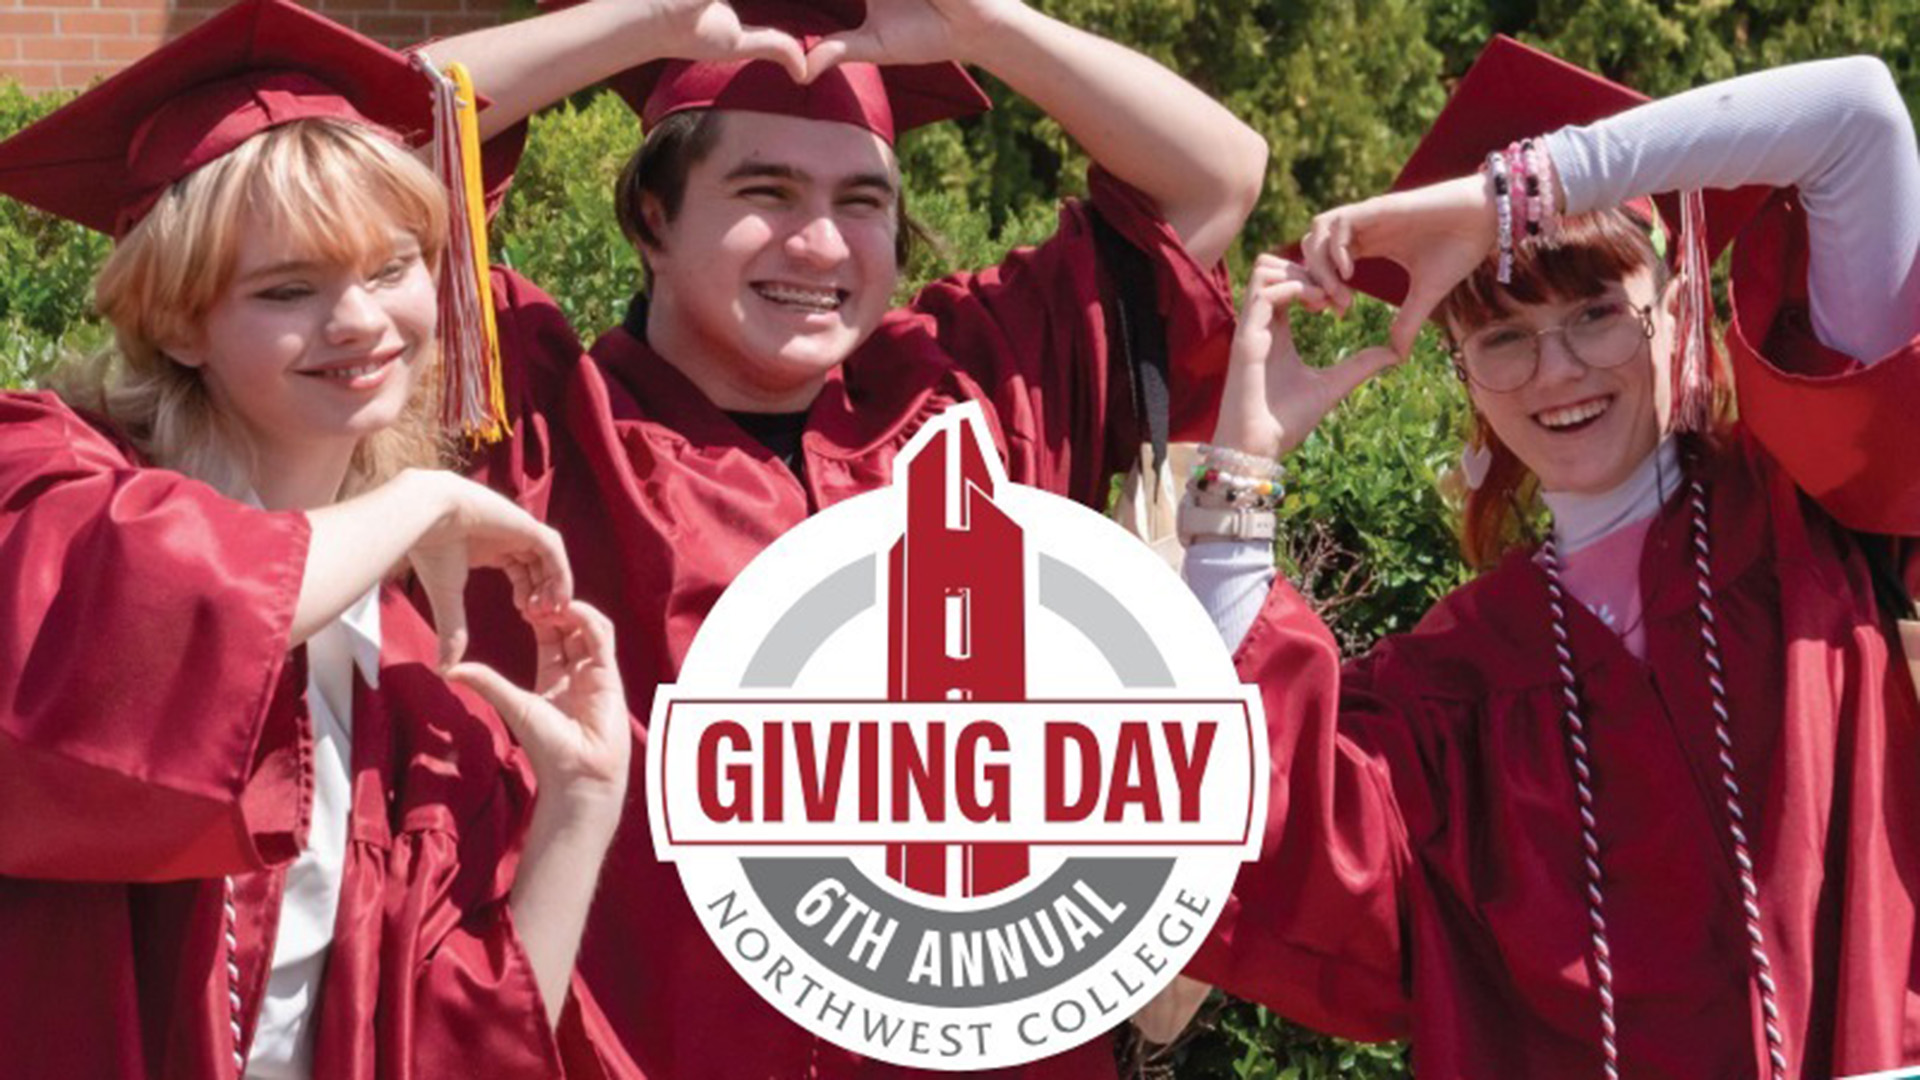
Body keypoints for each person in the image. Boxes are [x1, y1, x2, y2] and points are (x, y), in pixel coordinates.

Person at [412, 1, 1266, 1074]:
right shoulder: (542, 424)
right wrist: (650, 21)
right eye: (762, 192)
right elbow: (359, 148)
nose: (819, 244)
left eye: (862, 203)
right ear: (650, 221)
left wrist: (983, 25)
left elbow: (1217, 177)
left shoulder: (974, 397)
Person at [1165, 39, 1920, 1080]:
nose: (1556, 369)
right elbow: (1262, 830)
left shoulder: (1813, 513)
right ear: (1465, 374)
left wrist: (1515, 196)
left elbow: (1859, 117)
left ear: (1679, 307)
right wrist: (1242, 468)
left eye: (1597, 312)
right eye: (1503, 337)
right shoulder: (1452, 689)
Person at [0, 2, 642, 1075]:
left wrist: (582, 801)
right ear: (175, 320)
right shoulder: (38, 477)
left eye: (394, 269)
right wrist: (418, 506)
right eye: (289, 289)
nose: (359, 322)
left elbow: (452, 1045)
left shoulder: (404, 672)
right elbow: (131, 625)